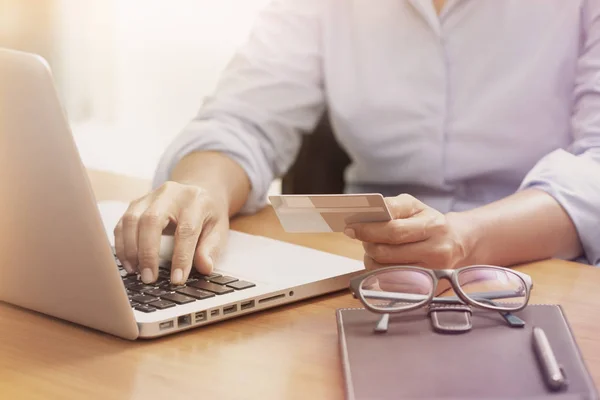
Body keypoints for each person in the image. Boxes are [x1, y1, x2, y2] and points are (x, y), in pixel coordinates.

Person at [114, 0, 600, 285]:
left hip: (543, 269)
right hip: (365, 268)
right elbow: (244, 116)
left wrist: (467, 237)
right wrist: (202, 189)